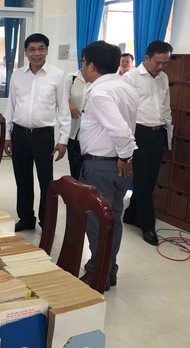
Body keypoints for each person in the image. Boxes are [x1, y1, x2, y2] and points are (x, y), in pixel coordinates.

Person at [77, 40, 138, 290]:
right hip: (117, 166)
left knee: (98, 220)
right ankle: (109, 269)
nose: (82, 67)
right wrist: (125, 159)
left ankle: (97, 272)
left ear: (91, 65)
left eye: (83, 63)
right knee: (113, 218)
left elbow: (121, 130)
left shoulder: (101, 92)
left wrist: (125, 156)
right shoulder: (124, 87)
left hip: (102, 165)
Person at [4, 33, 70, 231]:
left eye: (41, 48)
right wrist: (7, 135)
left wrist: (63, 139)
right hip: (20, 134)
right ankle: (26, 218)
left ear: (47, 50)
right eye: (32, 49)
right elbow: (11, 106)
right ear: (25, 52)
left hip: (44, 136)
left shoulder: (57, 75)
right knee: (22, 179)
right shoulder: (17, 75)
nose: (37, 53)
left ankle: (46, 221)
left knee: (46, 182)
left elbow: (64, 109)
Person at [121, 41, 173, 246]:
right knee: (142, 180)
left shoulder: (164, 78)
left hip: (157, 133)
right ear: (147, 58)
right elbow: (123, 110)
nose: (161, 67)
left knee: (150, 180)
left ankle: (131, 215)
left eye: (165, 63)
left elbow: (165, 107)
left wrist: (168, 135)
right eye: (158, 63)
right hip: (139, 133)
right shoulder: (130, 78)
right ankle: (148, 226)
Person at [65, 69, 87, 180]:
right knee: (75, 167)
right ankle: (76, 196)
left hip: (91, 134)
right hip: (73, 132)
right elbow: (61, 97)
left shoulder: (98, 78)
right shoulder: (71, 77)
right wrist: (68, 104)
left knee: (88, 170)